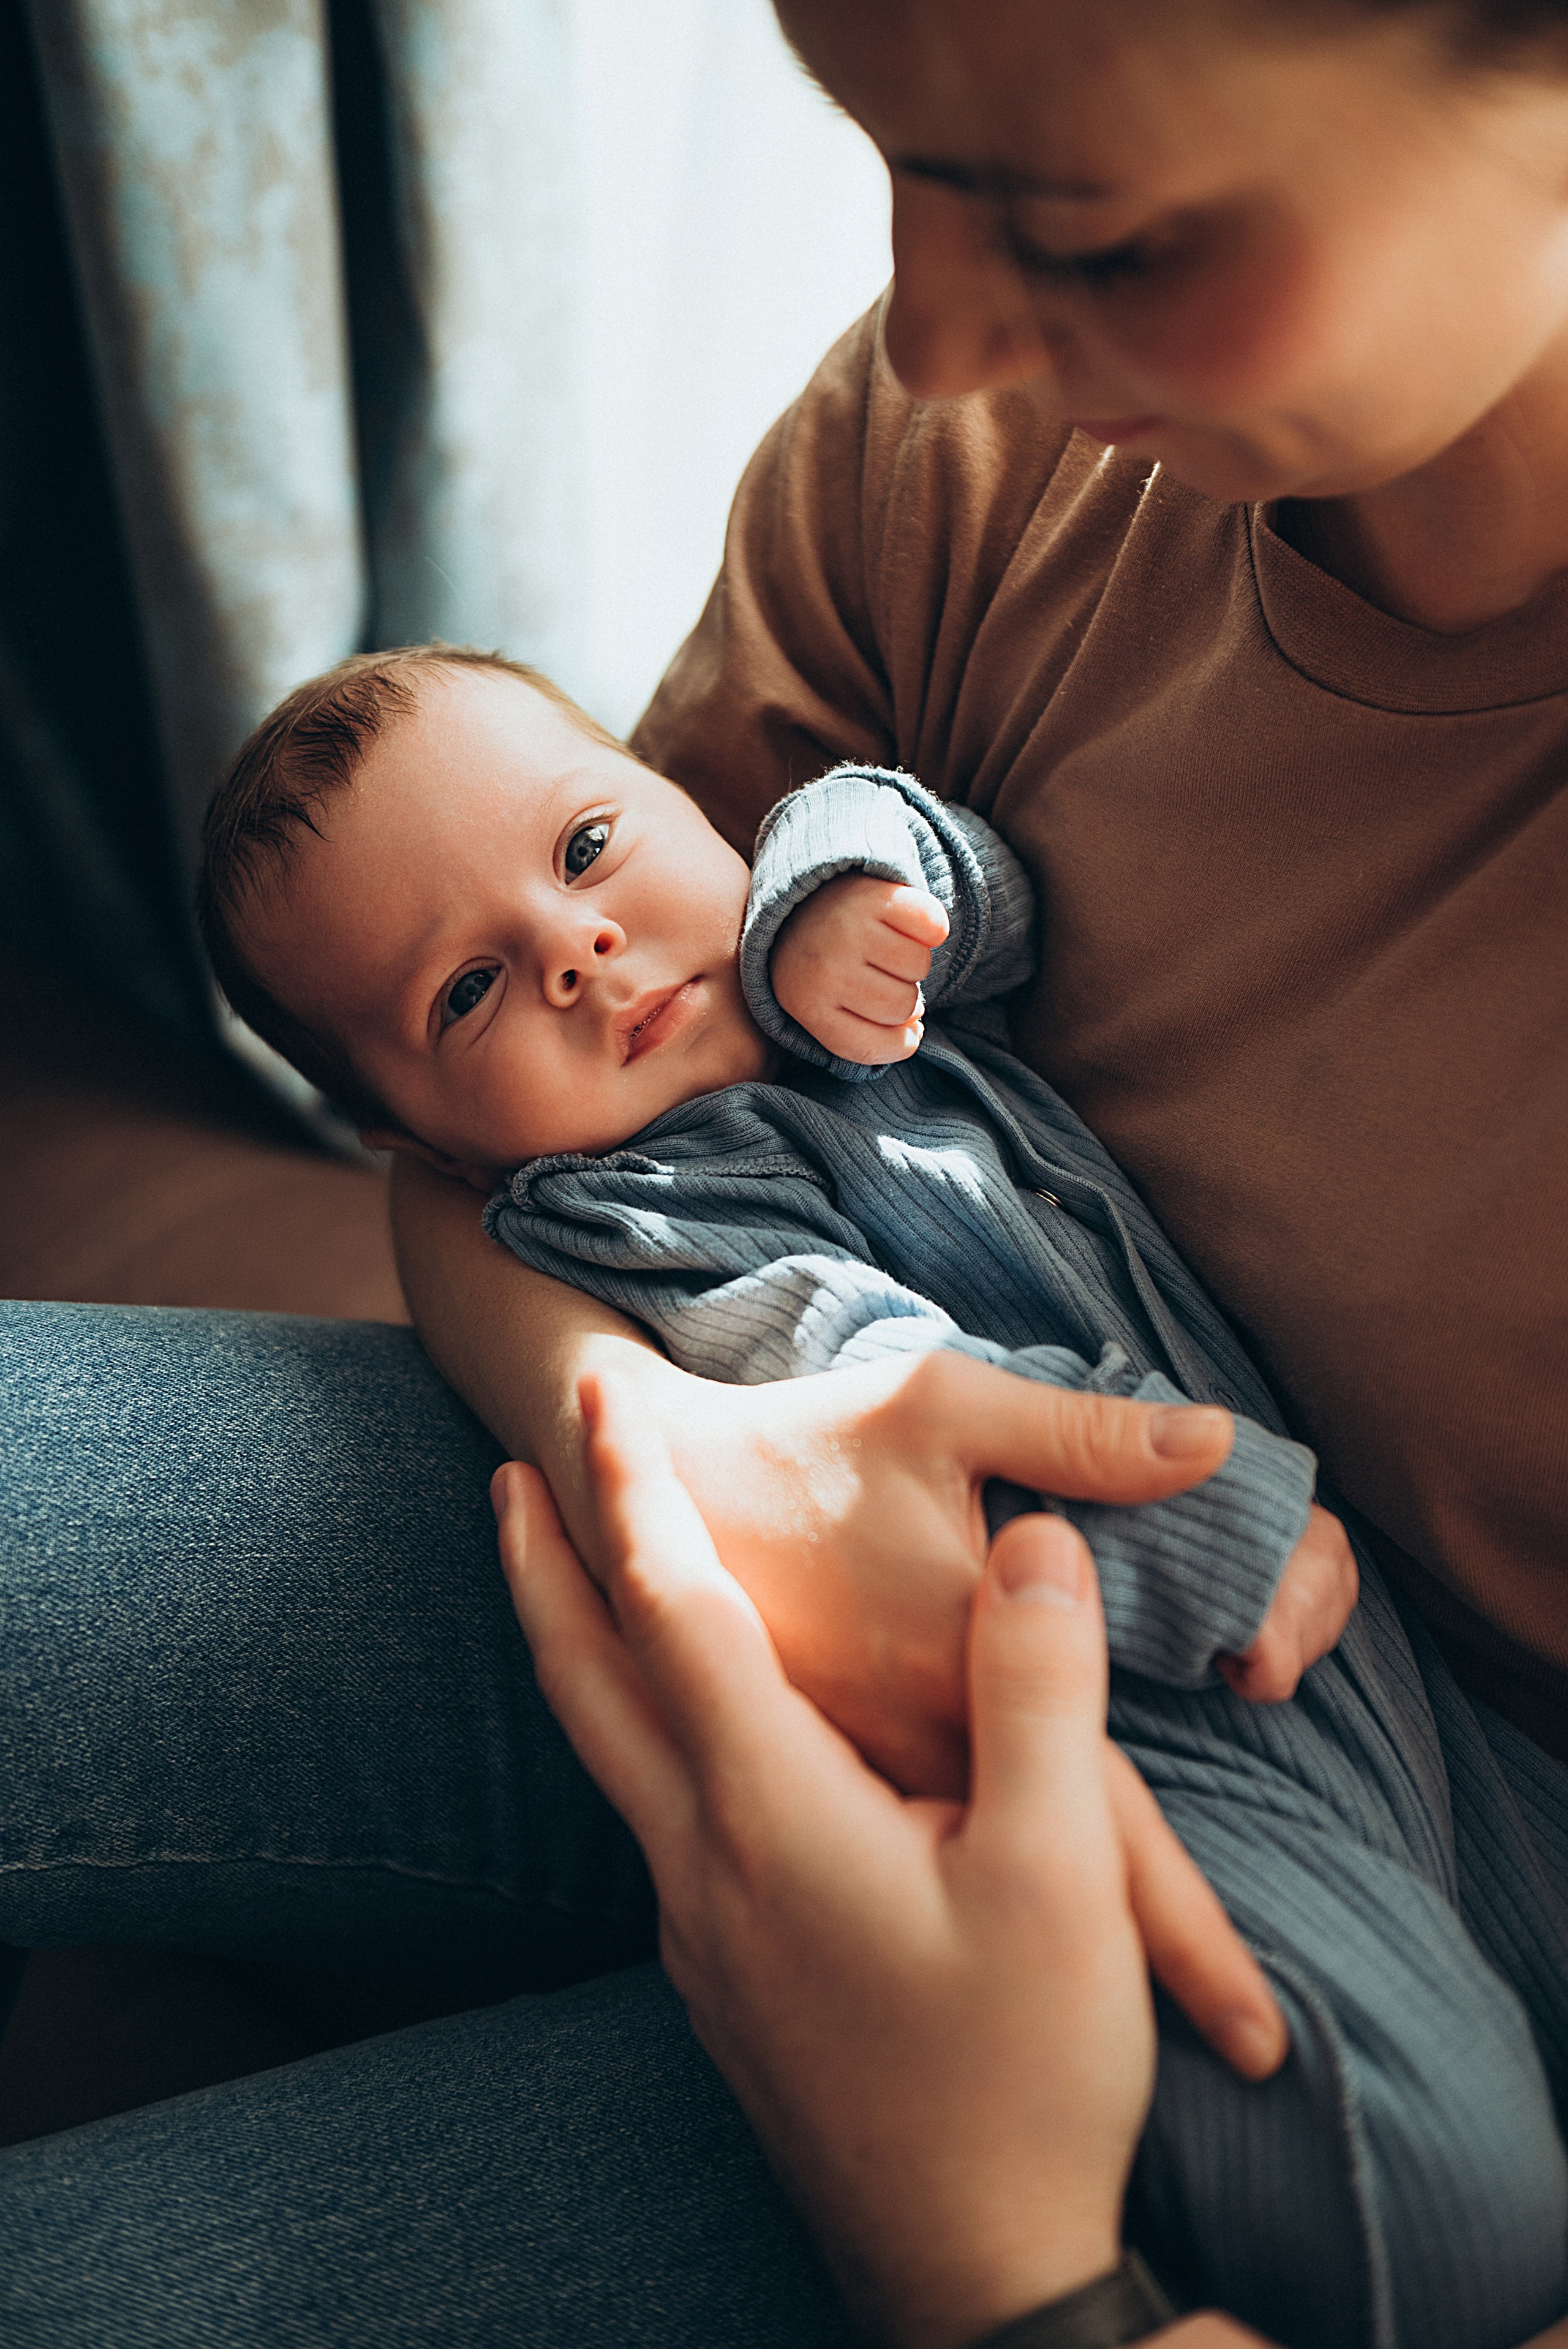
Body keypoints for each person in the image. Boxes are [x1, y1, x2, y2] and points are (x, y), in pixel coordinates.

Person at [5, 0, 1568, 2340]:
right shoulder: (980, 463)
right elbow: (506, 1145)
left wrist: (997, 2255)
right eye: (885, 148)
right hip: (713, 1549)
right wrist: (669, 1451)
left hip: (1305, 1838)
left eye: (1092, 232)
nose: (934, 339)